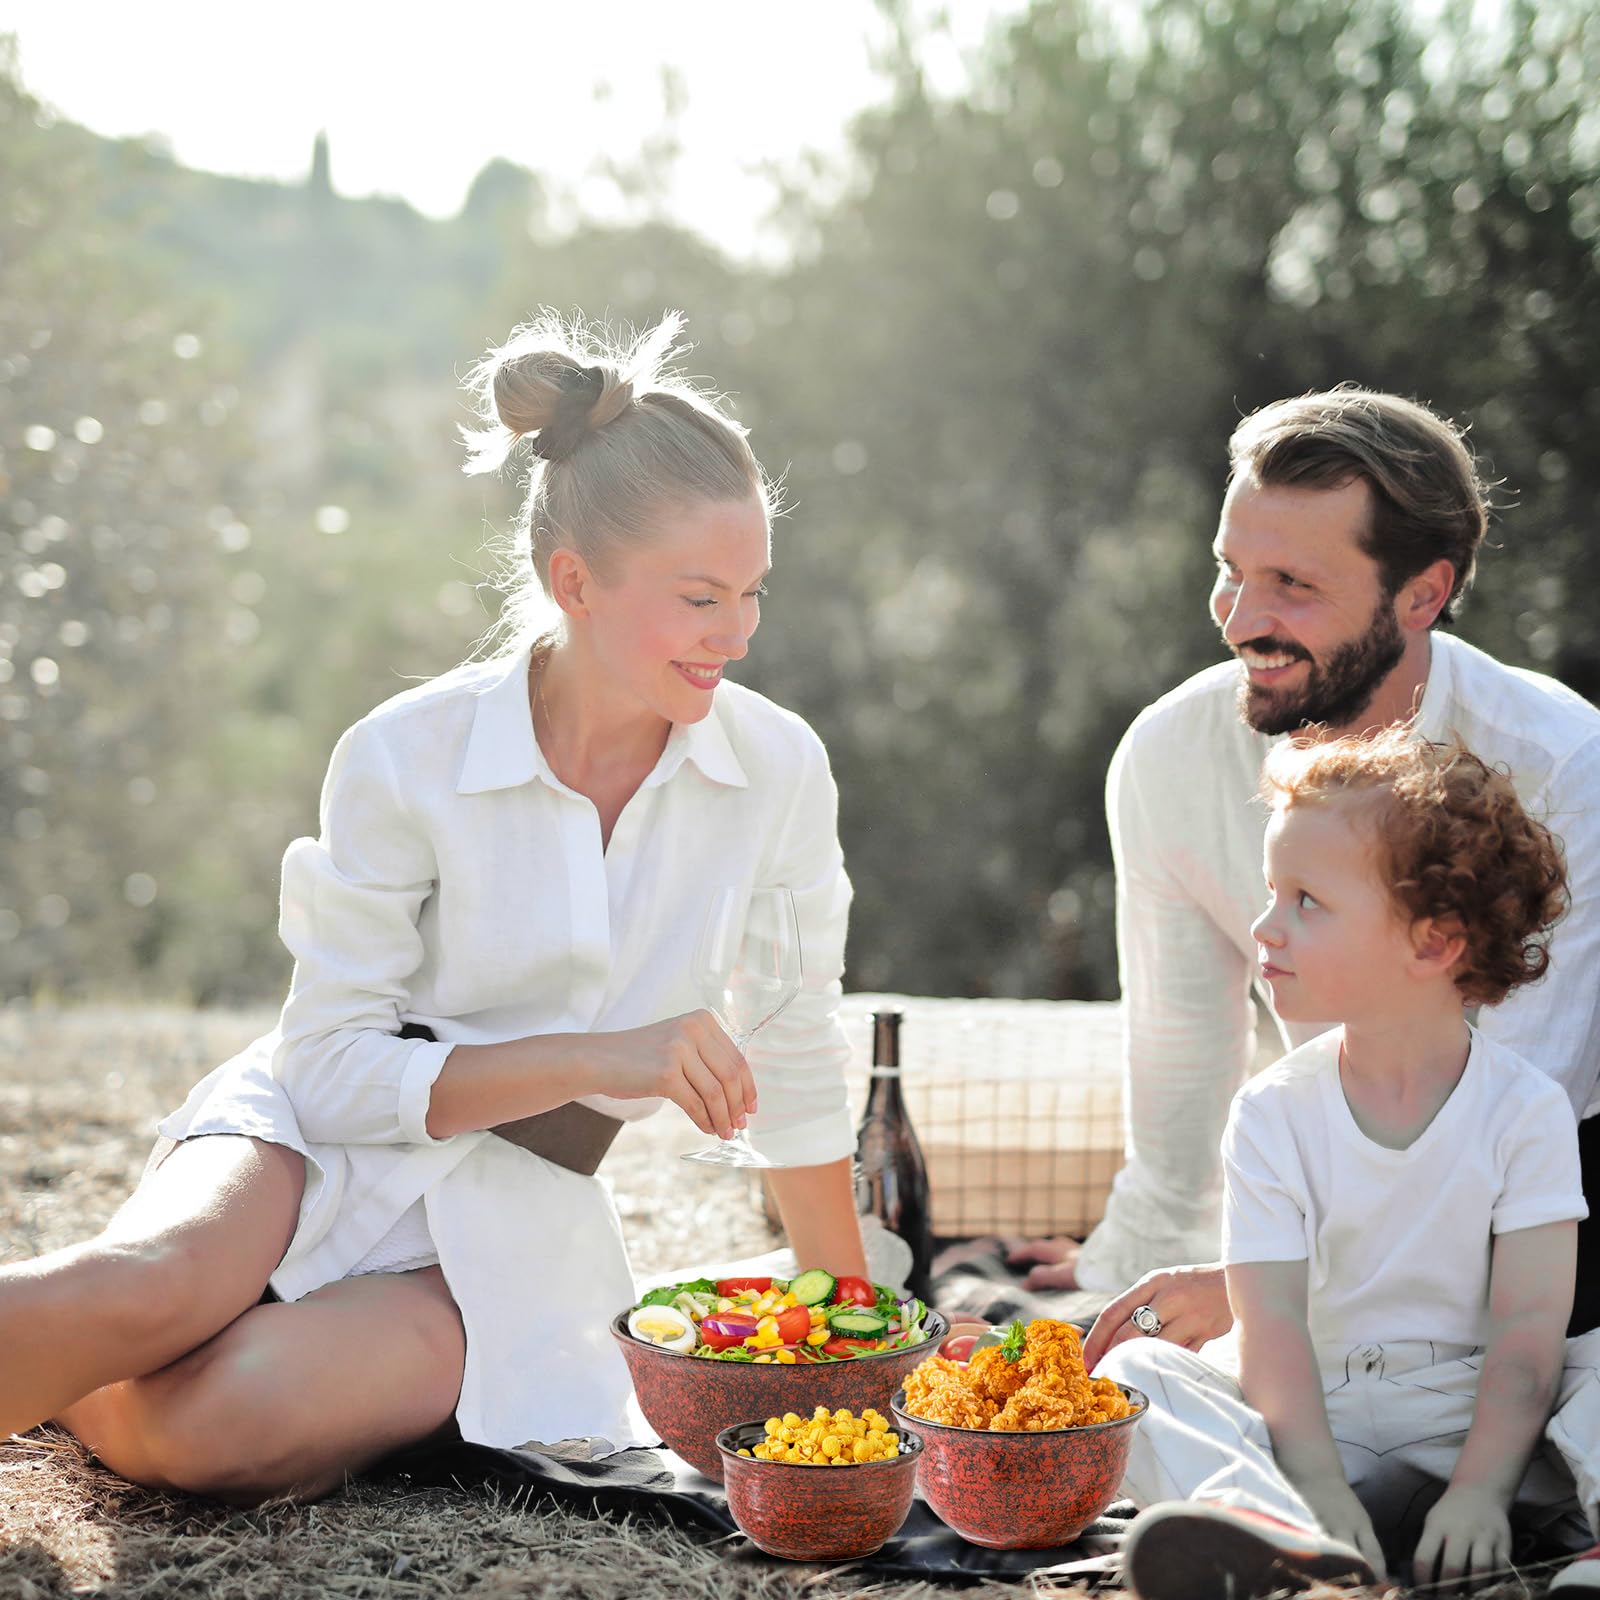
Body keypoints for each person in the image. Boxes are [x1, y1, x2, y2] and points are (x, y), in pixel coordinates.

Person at [0, 312, 870, 1504]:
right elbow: (330, 1070)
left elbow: (798, 1047)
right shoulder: (404, 753)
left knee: (223, 1424)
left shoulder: (779, 770)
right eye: (699, 597)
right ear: (575, 582)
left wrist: (862, 1336)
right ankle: (118, 1330)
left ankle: (84, 1376)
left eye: (753, 593)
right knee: (147, 1289)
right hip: (310, 1135)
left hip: (512, 1226)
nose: (740, 633)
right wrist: (601, 1052)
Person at [1007, 387, 1600, 1350]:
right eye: (1230, 570)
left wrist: (1254, 1288)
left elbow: (1513, 1134)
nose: (1241, 620)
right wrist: (1130, 1278)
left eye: (1294, 584)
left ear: (1422, 594)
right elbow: (1181, 1087)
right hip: (1318, 1204)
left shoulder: (1565, 768)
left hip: (1546, 1225)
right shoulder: (1169, 757)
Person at [1100, 728, 1600, 1600]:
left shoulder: (1526, 1112)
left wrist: (1481, 1489)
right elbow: (1273, 1327)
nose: (1266, 926)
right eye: (1270, 892)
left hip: (1478, 1427)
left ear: (1434, 943)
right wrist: (1321, 1487)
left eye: (1306, 902)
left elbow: (1529, 1329)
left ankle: (1582, 1566)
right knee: (1134, 1377)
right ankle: (1285, 1544)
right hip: (1308, 1427)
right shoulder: (1271, 1112)